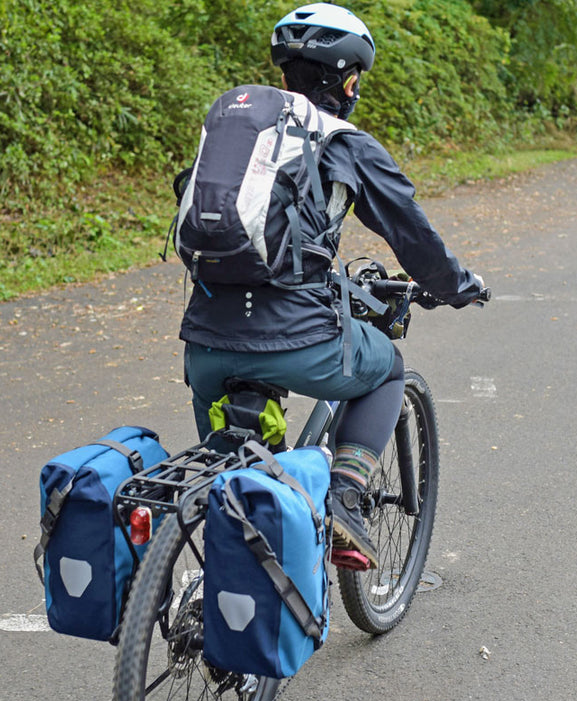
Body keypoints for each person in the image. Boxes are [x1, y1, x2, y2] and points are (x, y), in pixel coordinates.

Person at [178, 2, 486, 569]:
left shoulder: (240, 140)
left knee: (239, 493)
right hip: (298, 341)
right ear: (346, 80)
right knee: (387, 368)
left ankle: (211, 601)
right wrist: (459, 285)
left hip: (205, 349)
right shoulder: (343, 142)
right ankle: (345, 499)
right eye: (356, 78)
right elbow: (413, 236)